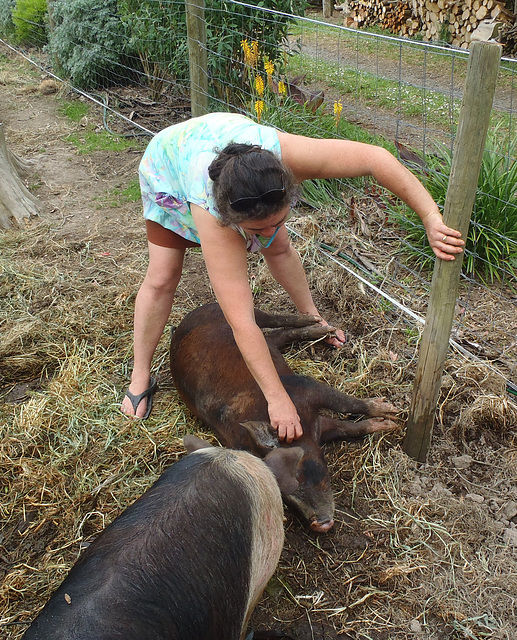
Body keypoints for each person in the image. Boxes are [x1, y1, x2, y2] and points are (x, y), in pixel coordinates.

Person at [121, 111, 464, 441]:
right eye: (257, 228)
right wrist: (278, 398)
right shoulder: (212, 214)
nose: (267, 231)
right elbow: (241, 322)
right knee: (164, 275)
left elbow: (376, 159)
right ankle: (140, 376)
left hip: (231, 147)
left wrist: (431, 218)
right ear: (228, 218)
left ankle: (311, 317)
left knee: (279, 246)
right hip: (170, 162)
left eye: (279, 219)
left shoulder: (288, 158)